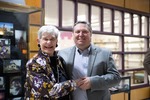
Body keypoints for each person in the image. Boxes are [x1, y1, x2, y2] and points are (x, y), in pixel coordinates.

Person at [58, 21, 121, 100]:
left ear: (90, 34)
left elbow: (116, 78)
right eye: (77, 32)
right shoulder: (62, 54)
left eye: (85, 32)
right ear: (73, 35)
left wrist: (93, 82)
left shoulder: (104, 53)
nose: (81, 34)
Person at [24, 25, 77, 100]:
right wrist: (75, 83)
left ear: (56, 41)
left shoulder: (60, 60)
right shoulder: (33, 63)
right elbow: (50, 91)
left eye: (52, 39)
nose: (49, 42)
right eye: (45, 39)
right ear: (38, 41)